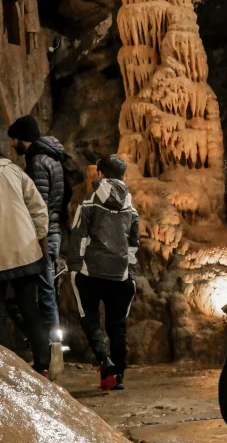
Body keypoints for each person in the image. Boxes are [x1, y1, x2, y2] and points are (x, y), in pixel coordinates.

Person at [68, 155, 139, 390]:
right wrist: (130, 269)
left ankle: (104, 359)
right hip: (119, 274)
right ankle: (118, 376)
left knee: (89, 318)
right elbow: (133, 242)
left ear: (99, 174)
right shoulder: (131, 206)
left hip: (91, 271)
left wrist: (74, 265)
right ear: (124, 178)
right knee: (116, 325)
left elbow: (78, 234)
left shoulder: (89, 202)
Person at [7, 115, 66, 343]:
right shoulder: (52, 159)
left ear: (23, 139)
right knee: (45, 291)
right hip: (52, 232)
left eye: (14, 140)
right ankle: (49, 345)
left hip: (42, 235)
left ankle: (50, 348)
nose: (12, 145)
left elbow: (38, 206)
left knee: (43, 292)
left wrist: (35, 237)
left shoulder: (38, 162)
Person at [0, 154, 51, 375]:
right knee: (30, 308)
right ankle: (43, 365)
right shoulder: (15, 171)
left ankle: (3, 368)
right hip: (26, 250)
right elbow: (39, 208)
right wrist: (41, 240)